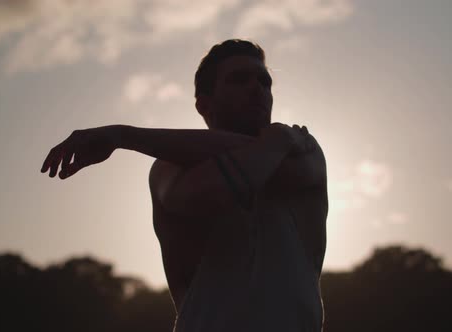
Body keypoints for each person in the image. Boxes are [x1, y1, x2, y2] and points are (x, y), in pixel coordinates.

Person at [41, 39, 328, 332]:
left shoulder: (304, 151)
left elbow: (276, 167)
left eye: (264, 81)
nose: (257, 87)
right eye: (239, 79)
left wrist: (122, 136)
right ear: (204, 104)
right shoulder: (169, 168)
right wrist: (275, 142)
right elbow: (207, 195)